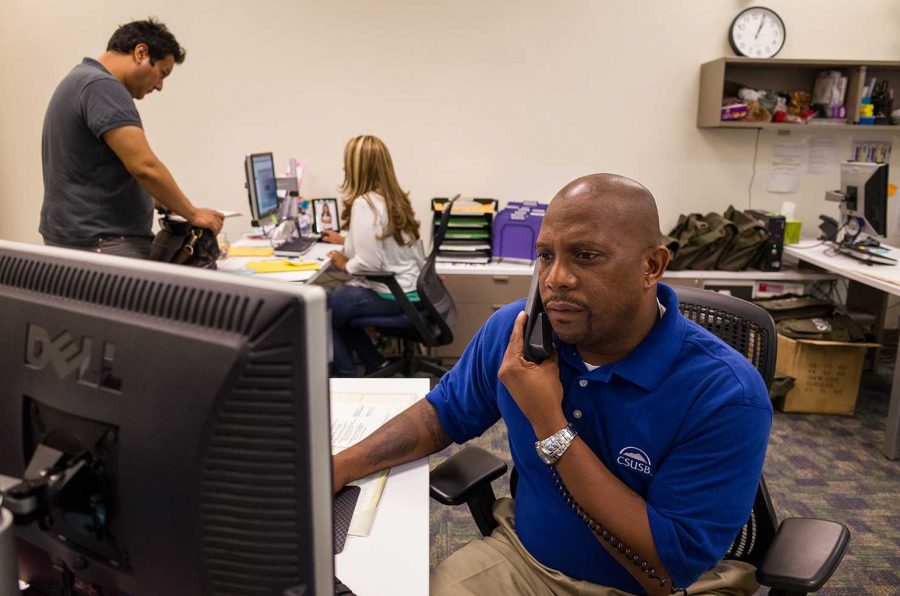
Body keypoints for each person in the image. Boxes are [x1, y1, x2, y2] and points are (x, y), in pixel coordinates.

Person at [333, 174, 772, 594]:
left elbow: (666, 564)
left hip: (661, 587)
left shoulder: (726, 393)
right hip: (526, 562)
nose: (555, 278)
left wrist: (548, 419)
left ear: (651, 266)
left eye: (585, 255)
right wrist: (343, 465)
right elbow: (441, 414)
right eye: (546, 255)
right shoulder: (517, 333)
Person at [39, 18, 224, 259]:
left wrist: (157, 199)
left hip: (78, 237)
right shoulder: (103, 86)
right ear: (141, 52)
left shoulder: (79, 80)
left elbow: (94, 169)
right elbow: (144, 167)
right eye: (162, 74)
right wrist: (193, 213)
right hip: (103, 242)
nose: (159, 86)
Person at [321, 135, 424, 377]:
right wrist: (346, 240)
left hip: (392, 294)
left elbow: (369, 262)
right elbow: (384, 244)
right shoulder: (392, 197)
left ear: (357, 168)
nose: (345, 169)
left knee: (320, 308)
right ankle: (375, 364)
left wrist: (345, 264)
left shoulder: (364, 204)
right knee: (336, 310)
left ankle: (347, 379)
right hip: (412, 290)